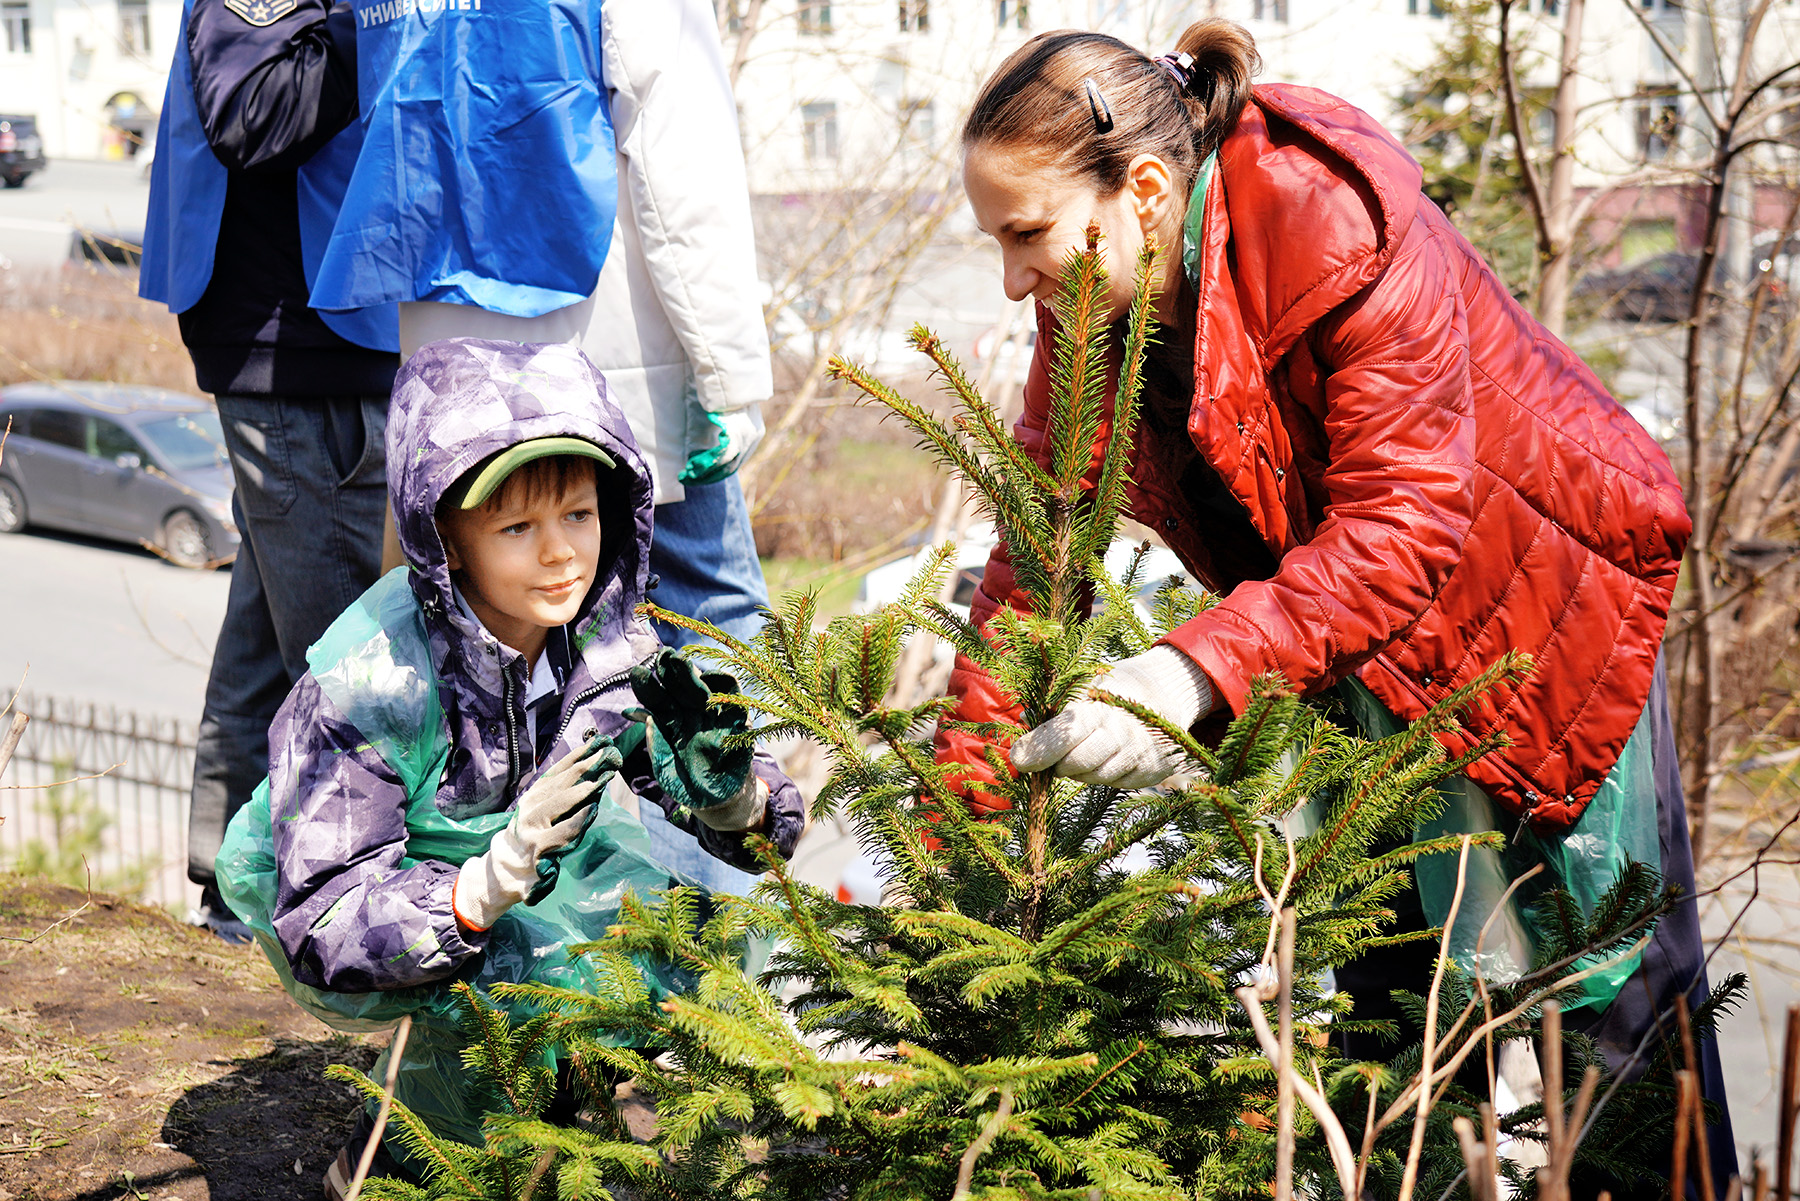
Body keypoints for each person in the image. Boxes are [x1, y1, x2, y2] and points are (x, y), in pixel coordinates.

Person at [941, 19, 1735, 1184]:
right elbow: (1032, 557)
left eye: (1028, 234)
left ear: (1144, 190)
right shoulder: (1092, 311)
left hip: (1543, 631)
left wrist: (1191, 669)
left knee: (1611, 1032)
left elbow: (1402, 525)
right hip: (1356, 664)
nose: (1016, 280)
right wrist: (957, 820)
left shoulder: (1332, 219)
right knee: (1390, 1035)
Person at [212, 338, 805, 1195]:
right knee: (494, 999)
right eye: (518, 527)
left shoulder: (604, 642)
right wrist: (481, 889)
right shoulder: (372, 680)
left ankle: (551, 1112)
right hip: (391, 894)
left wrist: (733, 798)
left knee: (694, 951)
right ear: (446, 540)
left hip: (533, 872)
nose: (562, 553)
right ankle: (395, 1162)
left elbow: (700, 793)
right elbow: (329, 911)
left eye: (578, 514)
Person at [307, 0, 776, 901]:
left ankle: (517, 968)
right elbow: (683, 170)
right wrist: (728, 377)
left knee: (483, 669)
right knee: (706, 652)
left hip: (454, 387)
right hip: (617, 364)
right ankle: (715, 986)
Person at [138, 0, 400, 938]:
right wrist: (381, 21)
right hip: (303, 345)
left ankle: (230, 885)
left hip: (322, 334)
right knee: (343, 655)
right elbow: (253, 109)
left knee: (269, 615)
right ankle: (328, 917)